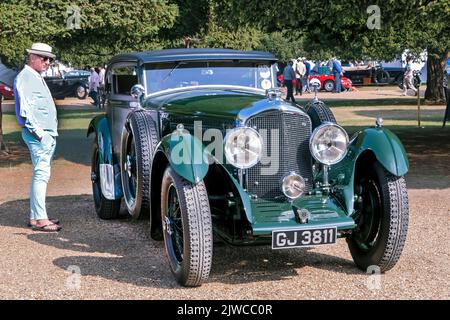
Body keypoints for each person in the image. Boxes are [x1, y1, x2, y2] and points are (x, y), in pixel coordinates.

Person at [13, 43, 61, 232]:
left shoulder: (32, 76)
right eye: (43, 58)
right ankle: (41, 218)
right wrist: (41, 136)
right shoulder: (26, 77)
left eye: (49, 59)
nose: (47, 62)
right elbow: (26, 111)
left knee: (39, 174)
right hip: (39, 134)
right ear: (32, 57)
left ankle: (35, 217)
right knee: (41, 175)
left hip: (43, 134)